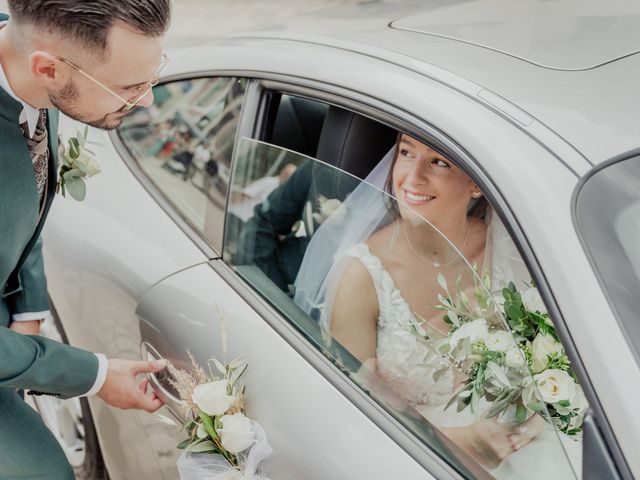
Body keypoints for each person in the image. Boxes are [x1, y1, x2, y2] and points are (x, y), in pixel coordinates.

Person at [294, 134, 578, 478]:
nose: (412, 178)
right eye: (406, 153)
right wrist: (461, 442)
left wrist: (530, 414)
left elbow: (557, 355)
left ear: (475, 182)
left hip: (533, 444)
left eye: (438, 162)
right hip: (421, 458)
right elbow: (350, 422)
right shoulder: (362, 276)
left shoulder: (511, 247)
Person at [0, 1, 171, 478]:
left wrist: (30, 312)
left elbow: (30, 201)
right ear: (48, 70)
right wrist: (92, 375)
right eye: (130, 87)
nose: (148, 101)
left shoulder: (24, 58)